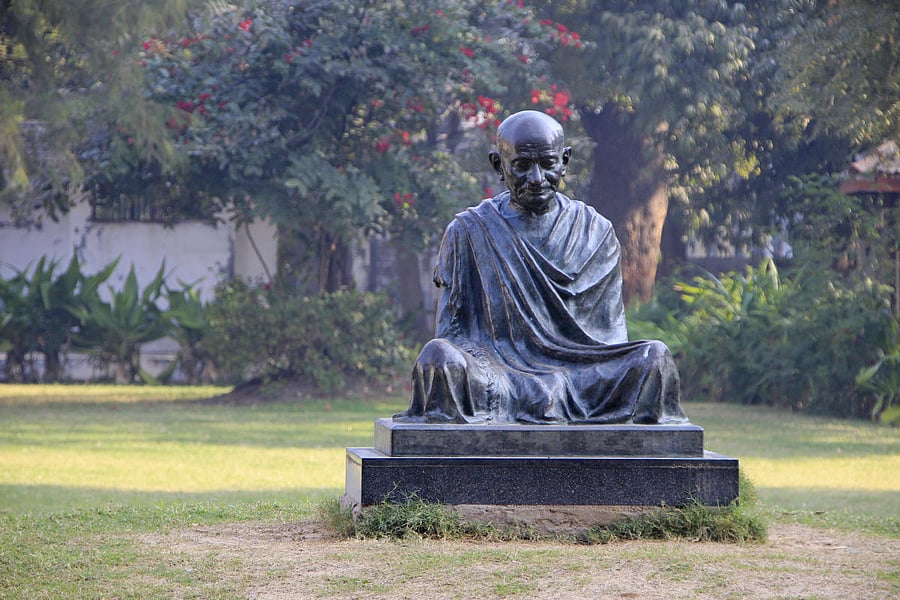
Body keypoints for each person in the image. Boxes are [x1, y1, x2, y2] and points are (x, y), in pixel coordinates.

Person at [395, 110, 687, 425]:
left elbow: (609, 338)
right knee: (438, 358)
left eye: (547, 164)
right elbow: (451, 333)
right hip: (501, 374)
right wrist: (509, 372)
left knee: (653, 358)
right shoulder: (468, 230)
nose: (536, 179)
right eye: (522, 166)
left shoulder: (594, 231)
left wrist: (561, 377)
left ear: (565, 161)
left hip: (582, 375)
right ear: (499, 165)